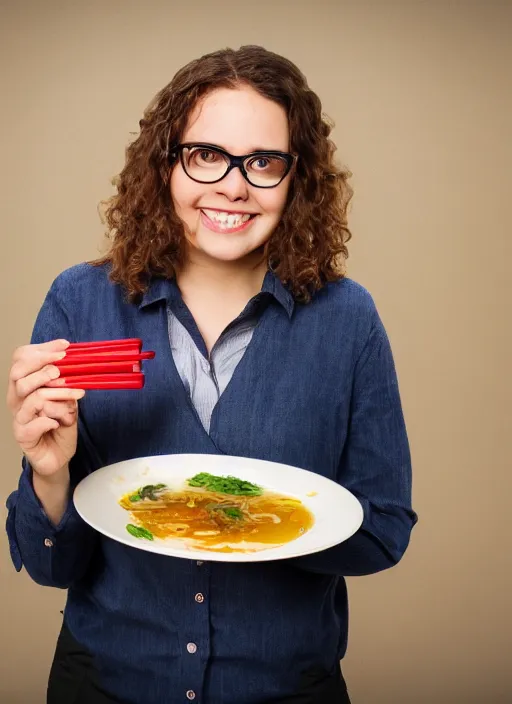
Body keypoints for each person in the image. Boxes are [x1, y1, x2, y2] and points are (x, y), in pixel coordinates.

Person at [5, 45, 417, 704]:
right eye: (206, 155)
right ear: (166, 164)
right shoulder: (80, 302)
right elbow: (52, 565)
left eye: (262, 162)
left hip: (284, 688)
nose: (233, 185)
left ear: (295, 179)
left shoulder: (348, 320)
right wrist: (49, 475)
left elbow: (383, 530)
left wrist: (247, 525)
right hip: (106, 683)